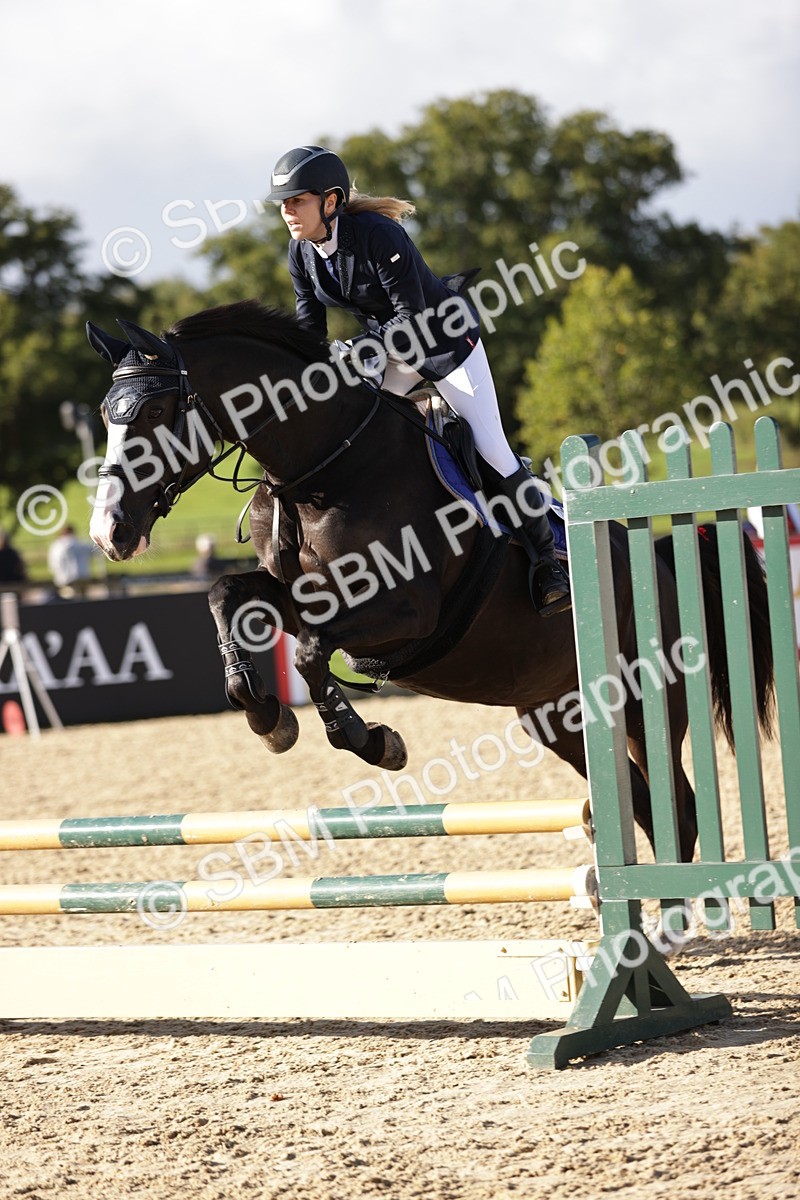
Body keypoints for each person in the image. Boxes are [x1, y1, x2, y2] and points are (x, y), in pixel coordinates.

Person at [266, 145, 570, 617]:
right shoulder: (301, 253)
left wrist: (358, 351)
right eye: (283, 203)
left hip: (445, 344)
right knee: (356, 437)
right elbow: (309, 330)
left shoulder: (378, 234)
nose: (287, 211)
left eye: (297, 201)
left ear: (331, 201)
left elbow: (411, 320)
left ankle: (548, 562)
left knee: (492, 450)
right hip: (392, 352)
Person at [47, 525, 93, 597]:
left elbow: (54, 563)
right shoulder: (79, 543)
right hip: (82, 576)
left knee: (69, 599)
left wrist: (58, 576)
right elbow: (93, 550)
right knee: (83, 598)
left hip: (66, 578)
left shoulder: (57, 546)